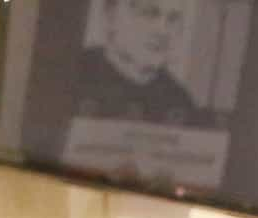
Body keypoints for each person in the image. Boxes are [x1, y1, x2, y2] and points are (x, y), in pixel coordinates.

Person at [73, 0, 211, 128]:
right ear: (111, 16)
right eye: (148, 13)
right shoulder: (69, 73)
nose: (162, 31)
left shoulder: (181, 102)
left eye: (173, 19)